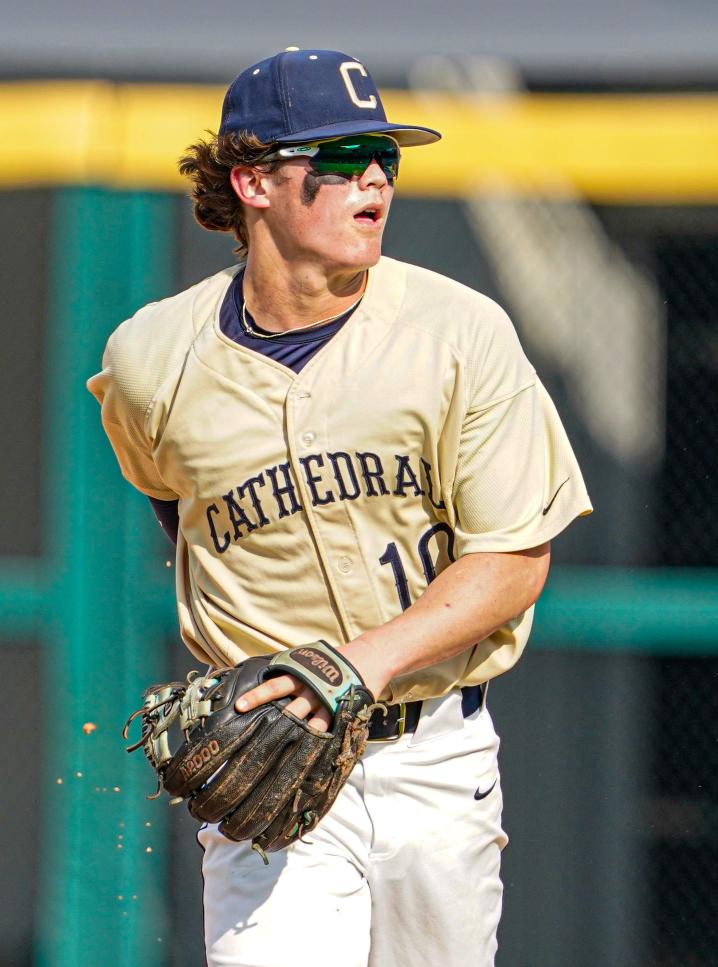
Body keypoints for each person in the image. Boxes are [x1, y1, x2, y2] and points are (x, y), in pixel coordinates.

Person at [88, 46, 591, 967]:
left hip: (433, 758)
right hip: (267, 765)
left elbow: (514, 557)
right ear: (252, 181)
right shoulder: (150, 358)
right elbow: (170, 494)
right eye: (336, 158)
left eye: (384, 158)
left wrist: (352, 666)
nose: (371, 179)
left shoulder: (459, 331)